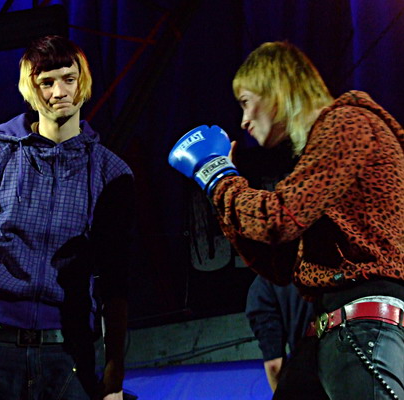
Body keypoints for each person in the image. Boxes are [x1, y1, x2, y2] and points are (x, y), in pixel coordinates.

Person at [169, 41, 404, 399]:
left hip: (364, 323)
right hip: (328, 329)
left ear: (276, 89)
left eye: (246, 102)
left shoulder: (348, 123)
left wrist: (218, 177)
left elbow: (278, 219)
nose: (244, 121)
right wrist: (220, 189)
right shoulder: (321, 151)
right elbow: (279, 264)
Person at [0, 35, 135, 400]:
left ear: (83, 82)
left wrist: (114, 376)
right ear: (30, 88)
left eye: (68, 79)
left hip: (68, 355)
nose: (59, 91)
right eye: (47, 82)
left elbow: (115, 279)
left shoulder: (111, 172)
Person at [245, 275, 314, 392]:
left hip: (311, 373)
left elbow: (274, 365)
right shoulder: (328, 269)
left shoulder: (263, 286)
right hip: (343, 358)